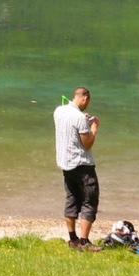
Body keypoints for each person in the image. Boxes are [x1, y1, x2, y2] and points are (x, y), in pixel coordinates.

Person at [54, 86, 101, 251]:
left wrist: (83, 121)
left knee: (72, 199)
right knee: (90, 200)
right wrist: (93, 127)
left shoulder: (59, 111)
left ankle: (72, 239)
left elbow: (72, 128)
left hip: (65, 164)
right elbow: (87, 144)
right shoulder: (79, 118)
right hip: (81, 164)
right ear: (85, 99)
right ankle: (84, 241)